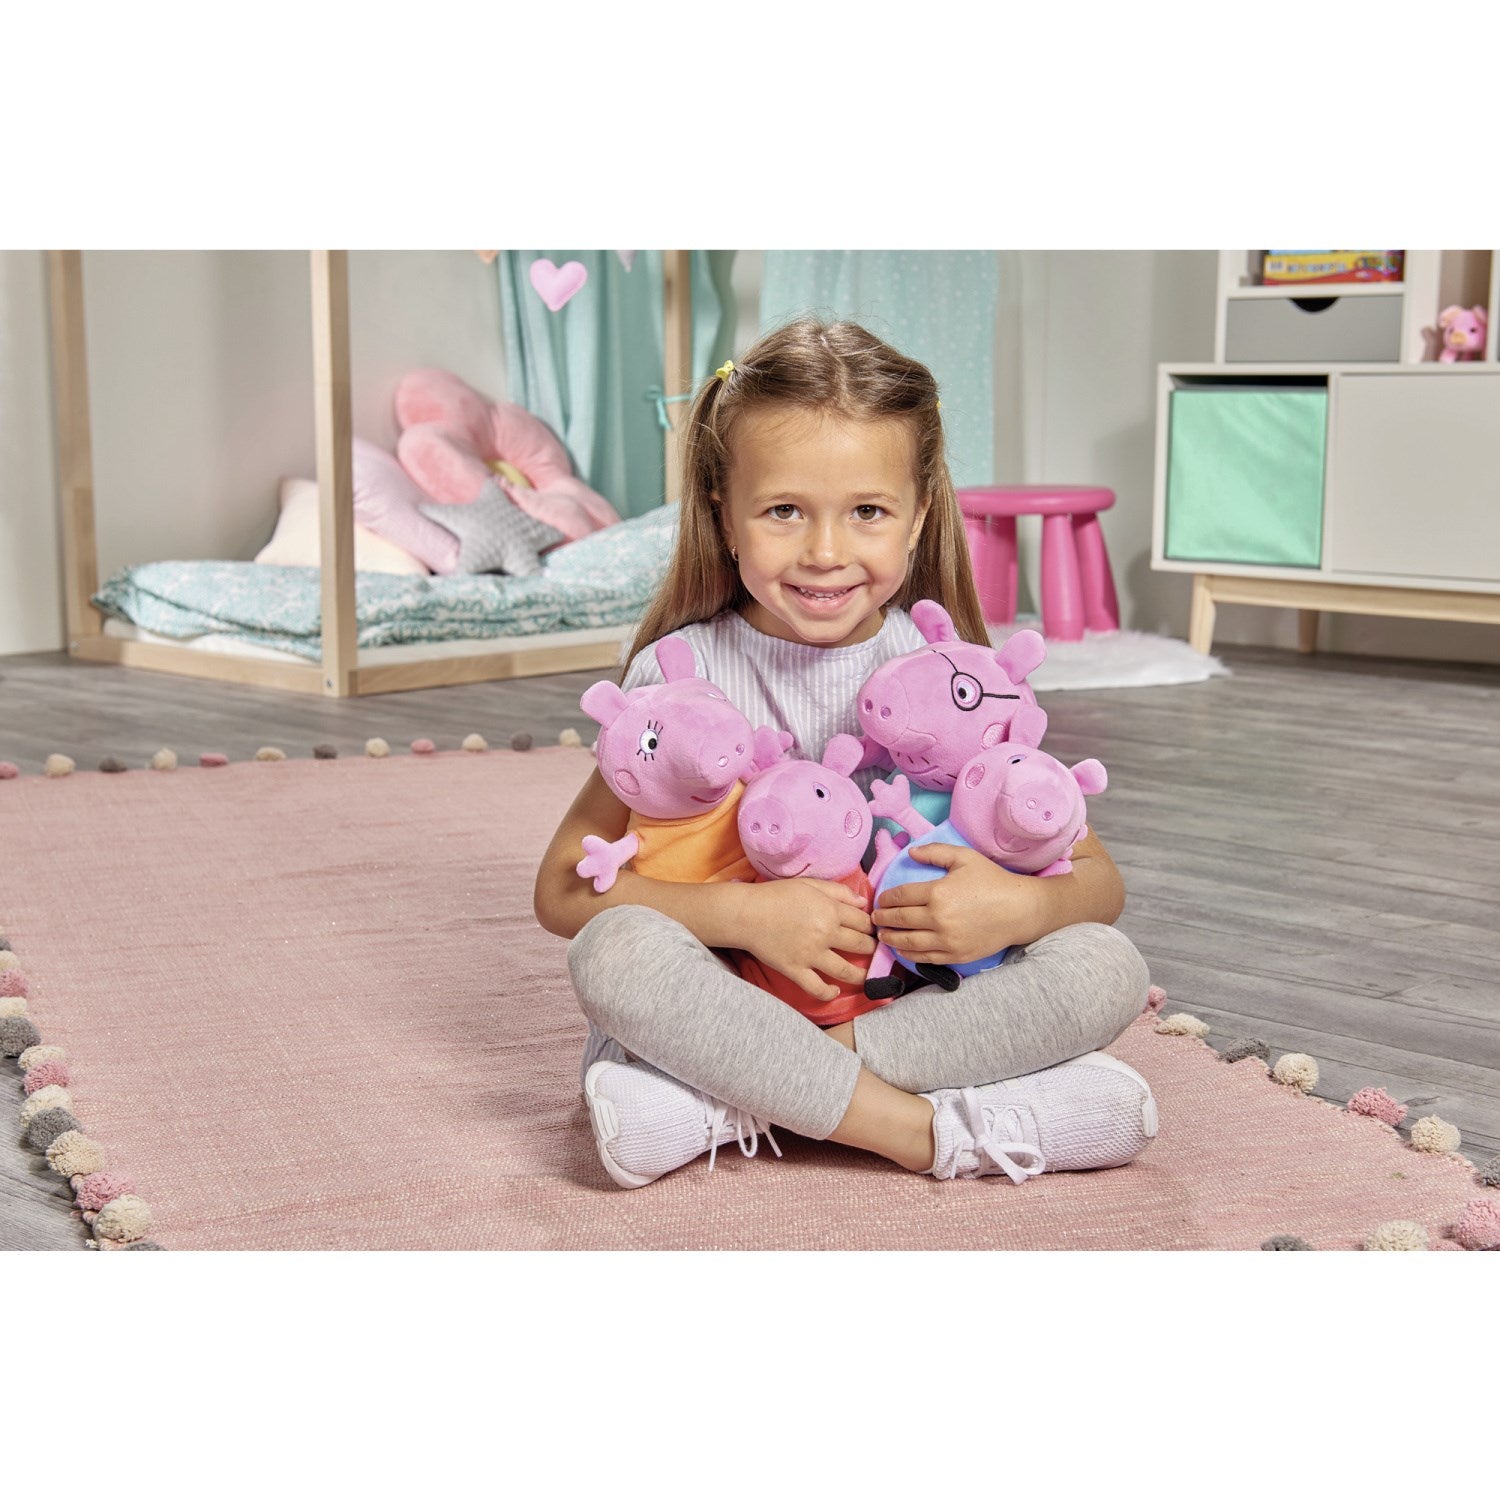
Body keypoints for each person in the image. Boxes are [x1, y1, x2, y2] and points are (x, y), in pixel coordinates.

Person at [533, 319, 1156, 1190]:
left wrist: (1013, 908)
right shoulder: (678, 676)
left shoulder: (949, 675)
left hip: (900, 997)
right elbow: (564, 891)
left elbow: (1098, 883)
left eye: (867, 512)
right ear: (724, 513)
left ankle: (744, 1099)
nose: (825, 553)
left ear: (919, 515)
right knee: (614, 952)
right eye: (784, 510)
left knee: (1106, 966)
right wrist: (744, 917)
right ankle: (923, 1130)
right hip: (733, 993)